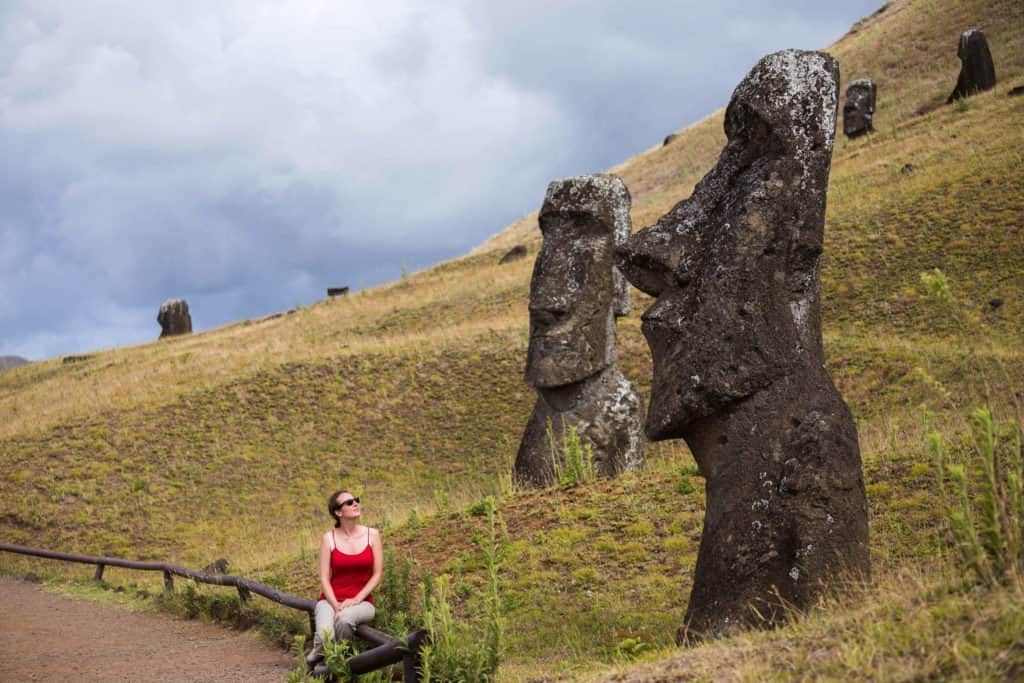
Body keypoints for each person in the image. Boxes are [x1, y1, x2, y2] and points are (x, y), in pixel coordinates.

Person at [306, 489, 384, 667]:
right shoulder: (328, 539)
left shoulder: (373, 535)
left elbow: (377, 574)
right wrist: (335, 606)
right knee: (325, 635)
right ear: (338, 512)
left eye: (355, 500)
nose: (355, 503)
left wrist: (356, 599)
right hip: (330, 600)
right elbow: (324, 579)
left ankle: (339, 666)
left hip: (363, 602)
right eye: (349, 502)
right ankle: (314, 659)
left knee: (344, 619)